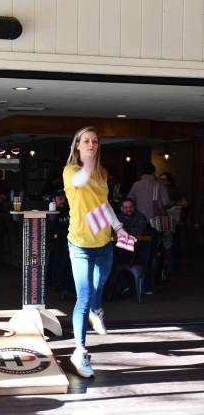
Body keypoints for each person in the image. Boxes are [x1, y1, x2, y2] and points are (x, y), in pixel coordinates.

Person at [63, 126, 129, 378]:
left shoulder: (102, 172)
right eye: (86, 141)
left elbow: (104, 205)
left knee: (99, 284)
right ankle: (80, 351)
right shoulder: (71, 171)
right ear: (77, 146)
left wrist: (119, 228)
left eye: (95, 141)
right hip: (79, 244)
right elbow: (80, 181)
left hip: (103, 242)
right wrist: (88, 164)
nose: (91, 145)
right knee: (84, 296)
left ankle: (96, 310)